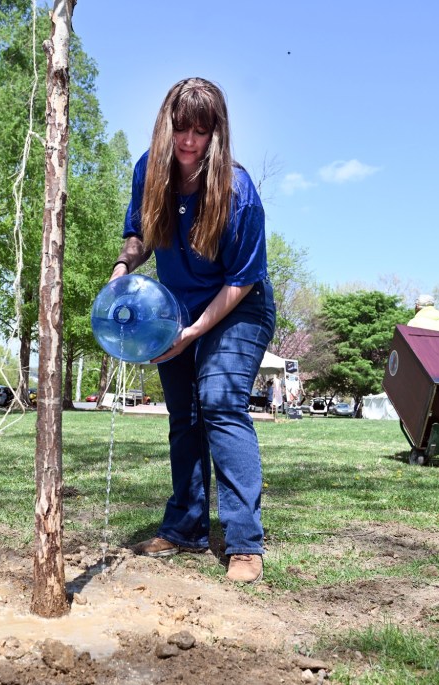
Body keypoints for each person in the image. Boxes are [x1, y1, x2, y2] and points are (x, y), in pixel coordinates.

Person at [110, 78, 276, 584]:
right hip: (175, 307)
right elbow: (139, 234)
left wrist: (197, 331)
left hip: (239, 305)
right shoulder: (148, 169)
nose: (188, 141)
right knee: (183, 415)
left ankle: (245, 542)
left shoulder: (238, 192)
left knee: (220, 401)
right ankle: (185, 528)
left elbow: (242, 280)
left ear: (215, 133)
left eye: (199, 131)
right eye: (180, 128)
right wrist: (123, 269)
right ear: (167, 125)